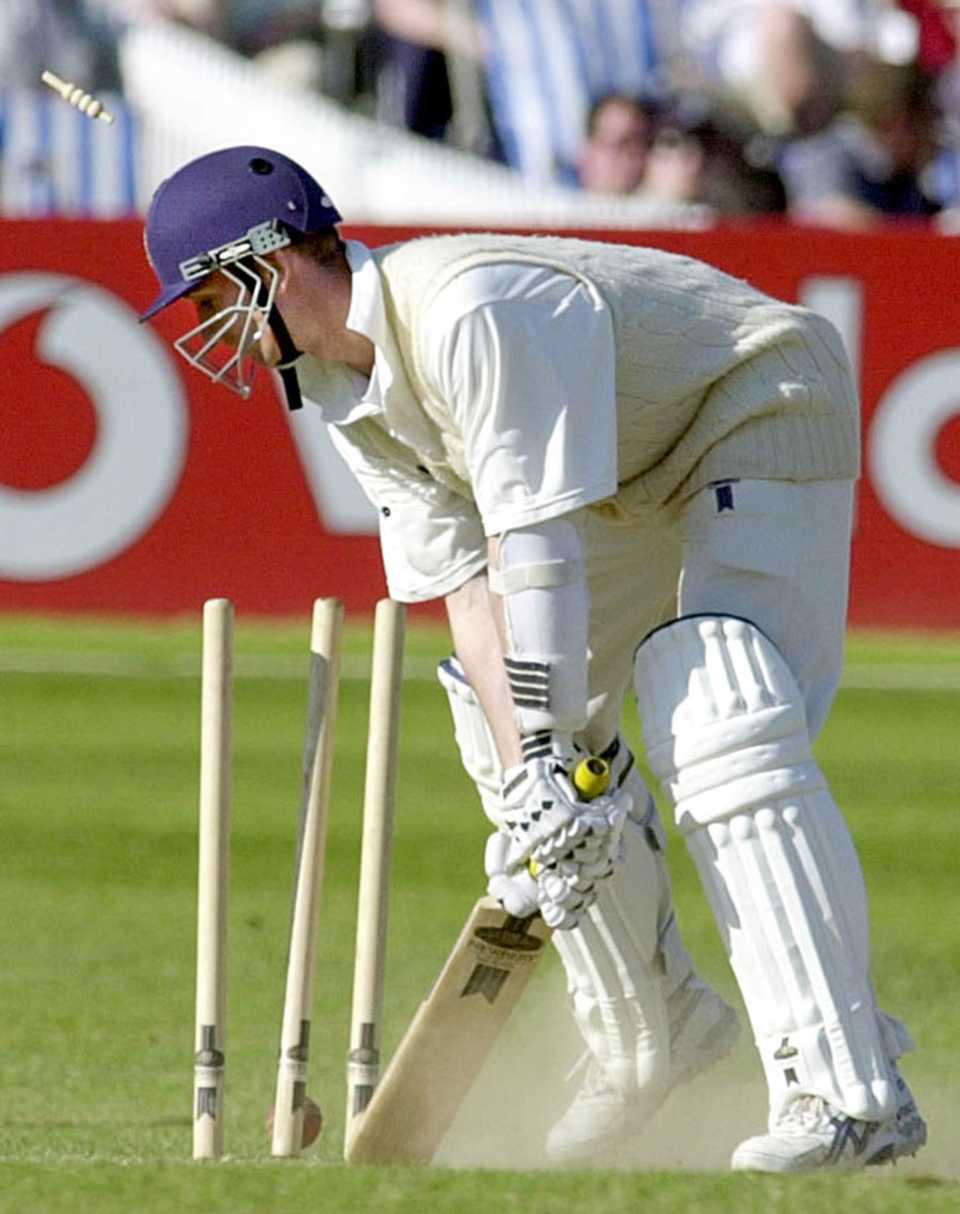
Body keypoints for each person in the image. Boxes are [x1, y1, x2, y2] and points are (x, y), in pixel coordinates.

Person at [140, 145, 928, 1172]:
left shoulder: (467, 311)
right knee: (496, 710)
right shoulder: (340, 388)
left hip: (753, 401)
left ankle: (847, 1089)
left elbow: (538, 550)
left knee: (713, 697)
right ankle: (651, 1035)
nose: (210, 331)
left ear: (269, 264)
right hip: (627, 473)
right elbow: (473, 586)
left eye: (209, 299)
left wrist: (553, 749)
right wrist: (532, 782)